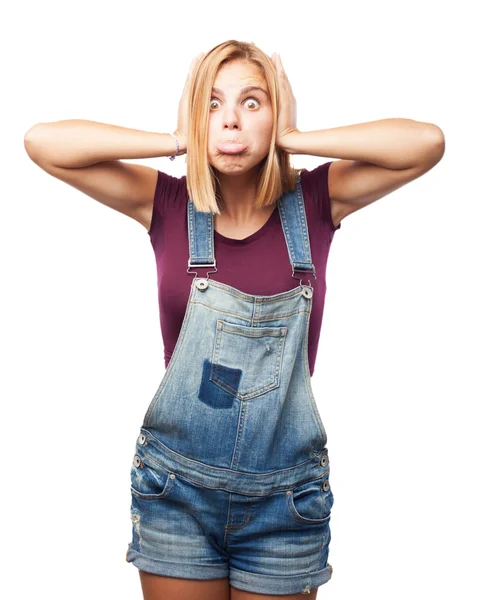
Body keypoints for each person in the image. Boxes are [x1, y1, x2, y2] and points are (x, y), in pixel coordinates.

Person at [24, 39, 445, 600]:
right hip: (177, 492)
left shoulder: (317, 201)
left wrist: (294, 140)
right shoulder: (168, 205)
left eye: (252, 102)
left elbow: (425, 143)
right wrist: (177, 141)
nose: (230, 122)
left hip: (285, 500)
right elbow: (43, 143)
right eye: (213, 105)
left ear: (277, 113)